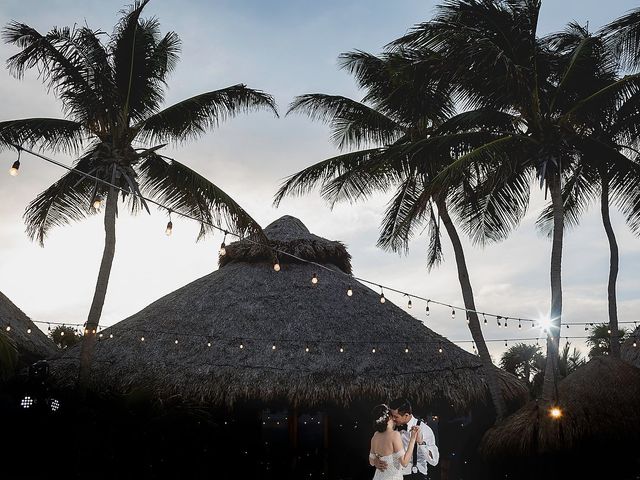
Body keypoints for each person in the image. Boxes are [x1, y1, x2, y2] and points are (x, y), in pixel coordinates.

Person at [372, 398, 439, 479]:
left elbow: (434, 461)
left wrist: (421, 443)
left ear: (406, 415)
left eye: (396, 417)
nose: (393, 419)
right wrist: (375, 460)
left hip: (415, 475)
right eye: (391, 416)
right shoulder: (389, 428)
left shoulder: (424, 429)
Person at [369, 404, 420, 480]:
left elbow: (371, 461)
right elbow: (404, 462)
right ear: (389, 417)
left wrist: (376, 461)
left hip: (378, 477)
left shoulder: (376, 435)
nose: (394, 418)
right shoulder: (394, 435)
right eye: (392, 415)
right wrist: (412, 439)